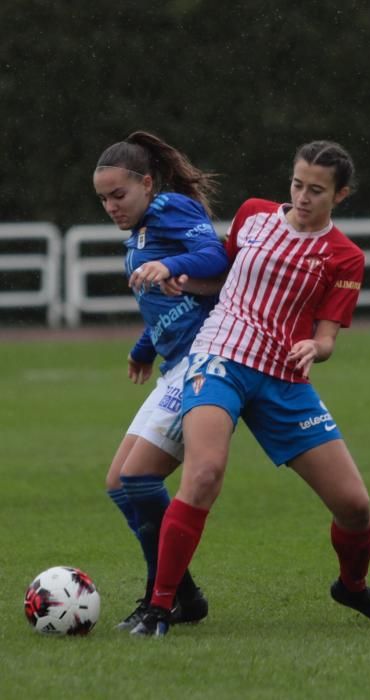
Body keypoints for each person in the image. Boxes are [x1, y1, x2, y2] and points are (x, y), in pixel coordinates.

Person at [131, 140, 370, 637]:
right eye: (297, 184)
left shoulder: (345, 257)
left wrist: (315, 350)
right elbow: (219, 278)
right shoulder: (254, 216)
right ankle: (161, 606)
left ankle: (353, 586)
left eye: (317, 190)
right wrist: (175, 274)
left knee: (355, 505)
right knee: (205, 473)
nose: (303, 197)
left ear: (340, 195)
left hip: (284, 378)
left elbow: (326, 336)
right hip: (219, 358)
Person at [93, 130, 229, 630]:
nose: (111, 205)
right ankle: (184, 592)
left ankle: (162, 595)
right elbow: (166, 302)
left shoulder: (171, 209)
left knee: (138, 478)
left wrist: (169, 263)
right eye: (103, 198)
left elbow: (217, 260)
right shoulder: (140, 234)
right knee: (118, 484)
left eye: (119, 194)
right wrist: (143, 347)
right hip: (172, 365)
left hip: (203, 363)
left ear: (147, 183)